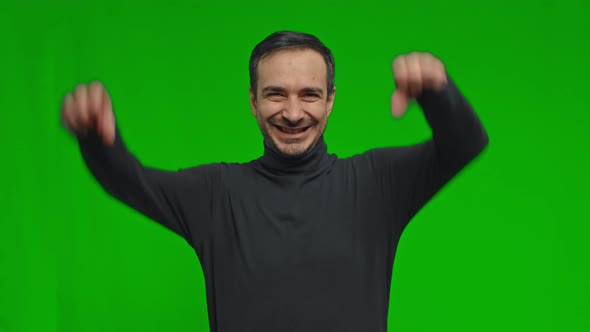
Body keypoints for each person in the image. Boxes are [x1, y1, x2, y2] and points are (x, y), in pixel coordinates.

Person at [61, 31, 488, 332]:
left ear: (331, 100)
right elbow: (131, 182)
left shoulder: (376, 184)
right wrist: (96, 139)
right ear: (252, 101)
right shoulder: (217, 194)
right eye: (275, 94)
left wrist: (437, 91)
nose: (293, 112)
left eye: (309, 94)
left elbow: (465, 144)